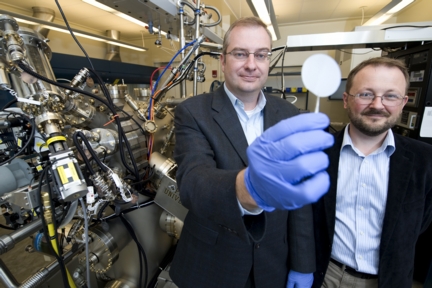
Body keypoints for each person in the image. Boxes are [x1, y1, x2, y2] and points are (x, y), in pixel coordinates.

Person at [169, 17, 334, 288]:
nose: (251, 64)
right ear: (222, 60)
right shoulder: (193, 112)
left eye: (261, 55)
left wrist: (303, 266)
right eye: (240, 54)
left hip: (272, 264)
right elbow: (193, 180)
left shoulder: (289, 115)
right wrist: (248, 188)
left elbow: (300, 202)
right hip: (211, 263)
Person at [312, 57, 432, 288]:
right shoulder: (317, 154)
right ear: (346, 100)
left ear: (404, 101)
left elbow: (421, 223)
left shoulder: (425, 161)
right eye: (366, 94)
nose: (378, 105)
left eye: (390, 95)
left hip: (389, 280)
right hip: (326, 275)